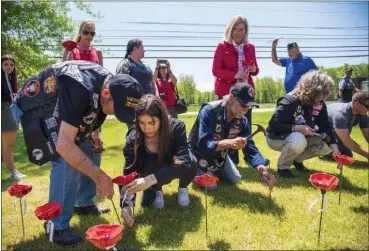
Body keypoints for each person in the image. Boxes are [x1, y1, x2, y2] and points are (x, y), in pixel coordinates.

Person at [15, 61, 142, 246]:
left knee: (92, 148)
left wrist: (94, 133)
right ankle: (56, 225)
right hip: (35, 105)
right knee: (65, 160)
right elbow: (64, 145)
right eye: (118, 110)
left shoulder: (110, 83)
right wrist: (99, 177)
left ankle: (83, 202)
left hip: (63, 107)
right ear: (106, 94)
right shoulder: (80, 86)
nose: (117, 115)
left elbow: (93, 109)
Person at [120, 95, 197, 227]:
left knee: (191, 162)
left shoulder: (176, 128)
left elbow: (184, 161)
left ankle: (183, 187)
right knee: (148, 202)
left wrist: (149, 179)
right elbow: (128, 173)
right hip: (152, 168)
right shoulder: (133, 139)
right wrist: (126, 204)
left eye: (152, 122)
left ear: (162, 118)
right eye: (142, 123)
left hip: (170, 166)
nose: (147, 129)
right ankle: (156, 191)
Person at [188, 82, 276, 191]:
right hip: (198, 154)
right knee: (211, 186)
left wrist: (263, 170)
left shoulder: (243, 121)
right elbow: (204, 145)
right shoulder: (209, 111)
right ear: (232, 98)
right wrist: (228, 143)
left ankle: (213, 171)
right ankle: (192, 170)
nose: (245, 110)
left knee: (236, 179)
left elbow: (250, 148)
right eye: (243, 105)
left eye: (249, 107)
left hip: (219, 155)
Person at [62, 20, 109, 217]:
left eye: (92, 33)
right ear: (79, 33)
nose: (89, 36)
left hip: (94, 105)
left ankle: (85, 202)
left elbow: (103, 78)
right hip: (74, 106)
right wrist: (70, 47)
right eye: (86, 32)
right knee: (71, 157)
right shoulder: (72, 50)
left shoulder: (97, 53)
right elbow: (62, 69)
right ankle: (68, 204)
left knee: (94, 152)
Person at [266, 70, 340, 178]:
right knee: (298, 139)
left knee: (328, 142)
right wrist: (298, 128)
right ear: (314, 89)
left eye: (327, 92)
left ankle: (297, 159)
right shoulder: (290, 100)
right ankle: (283, 167)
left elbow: (326, 126)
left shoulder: (319, 103)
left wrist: (336, 150)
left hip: (301, 136)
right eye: (325, 91)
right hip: (276, 138)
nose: (326, 95)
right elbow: (273, 125)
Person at [212, 15, 259, 126]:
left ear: (246, 31)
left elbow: (256, 69)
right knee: (226, 127)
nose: (239, 33)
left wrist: (254, 69)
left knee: (245, 125)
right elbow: (216, 70)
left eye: (242, 30)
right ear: (230, 30)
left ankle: (246, 143)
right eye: (236, 29)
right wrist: (235, 75)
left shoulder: (250, 47)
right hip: (228, 94)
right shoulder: (222, 46)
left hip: (247, 93)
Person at [1, 55, 26, 181]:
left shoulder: (11, 80)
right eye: (5, 64)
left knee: (3, 147)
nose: (9, 67)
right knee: (9, 145)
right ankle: (13, 172)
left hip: (10, 109)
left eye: (11, 64)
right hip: (5, 110)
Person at [327, 91, 369, 160]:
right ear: (357, 104)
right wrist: (367, 155)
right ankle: (325, 152)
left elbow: (367, 134)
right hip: (321, 132)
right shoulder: (340, 115)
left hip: (336, 132)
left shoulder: (363, 114)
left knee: (347, 155)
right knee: (343, 155)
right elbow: (347, 140)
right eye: (367, 106)